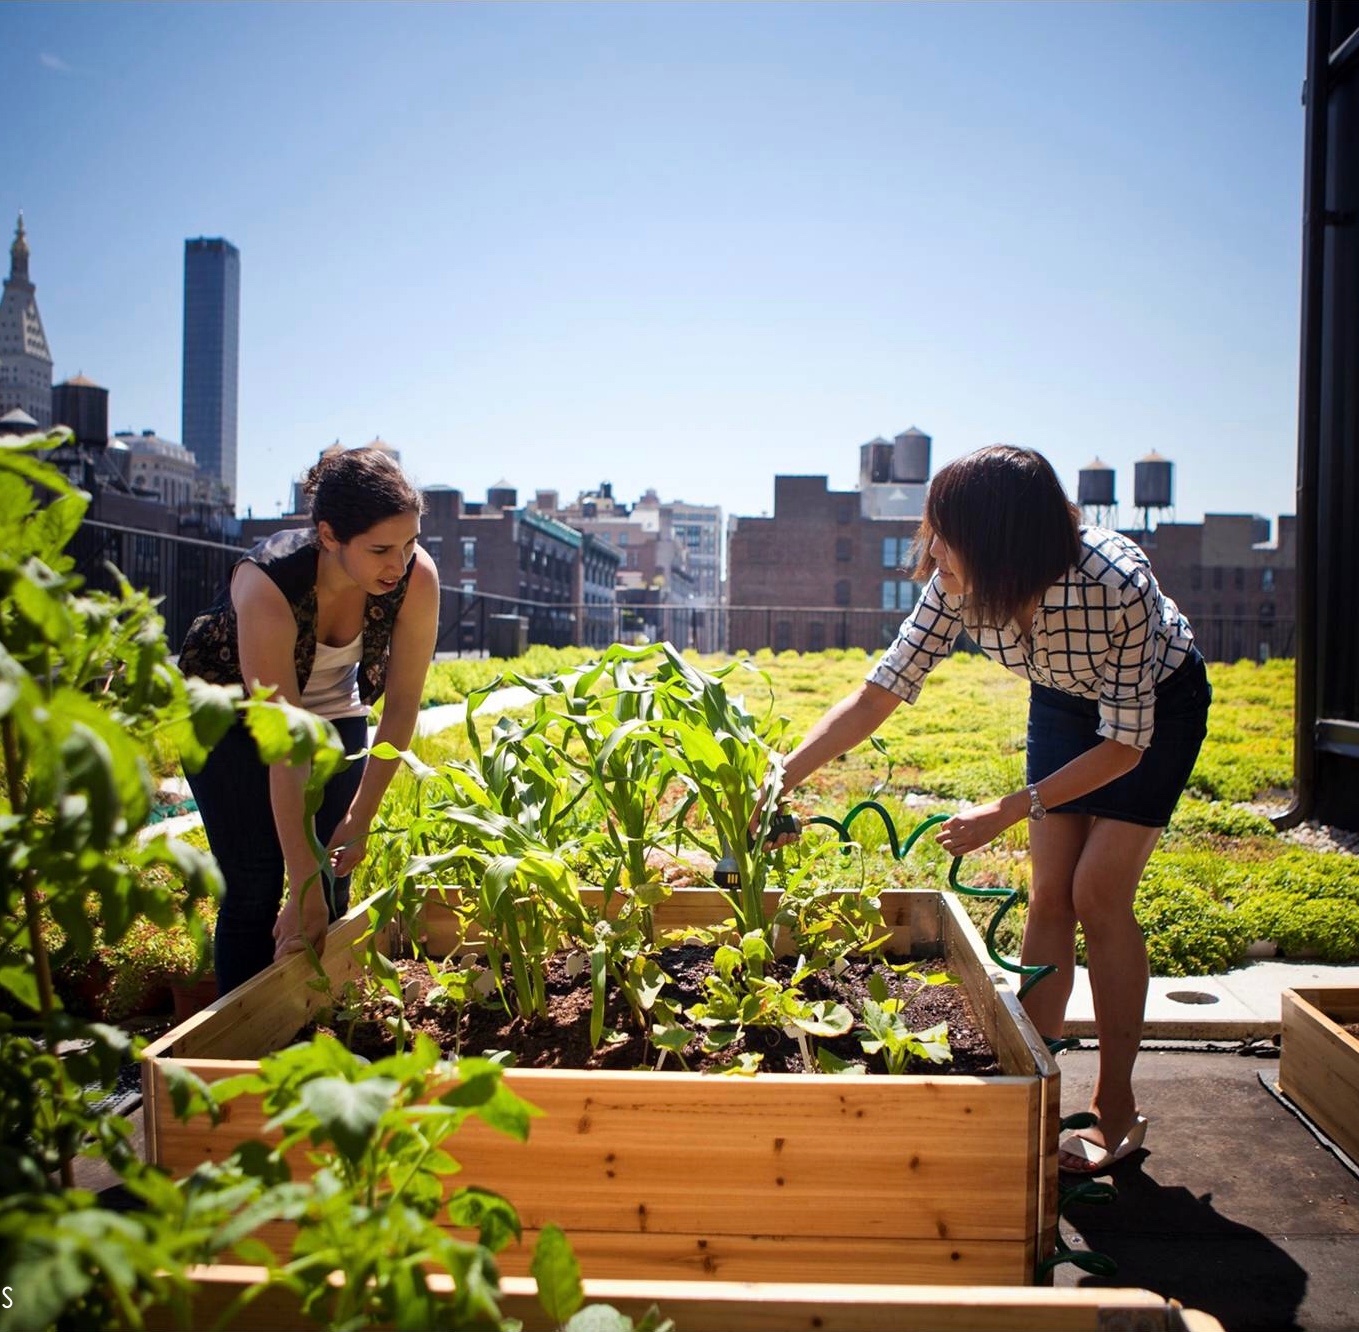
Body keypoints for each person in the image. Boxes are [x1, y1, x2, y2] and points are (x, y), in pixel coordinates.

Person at [765, 444, 1211, 1173]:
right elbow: (879, 692)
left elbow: (1125, 745)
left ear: (999, 539)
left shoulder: (1113, 581)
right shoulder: (954, 585)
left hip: (1154, 709)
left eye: (945, 532)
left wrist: (1008, 808)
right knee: (1047, 898)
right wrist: (782, 776)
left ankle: (1115, 1108)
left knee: (1097, 894)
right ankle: (1025, 1093)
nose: (930, 547)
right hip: (1065, 701)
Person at [179, 446, 440, 995]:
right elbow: (285, 744)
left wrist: (361, 818)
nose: (399, 563)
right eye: (380, 549)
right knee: (254, 884)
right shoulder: (267, 584)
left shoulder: (415, 580)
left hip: (332, 712)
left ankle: (314, 1022)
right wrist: (299, 885)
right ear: (328, 536)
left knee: (331, 876)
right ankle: (242, 1049)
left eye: (411, 543)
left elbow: (402, 707)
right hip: (228, 722)